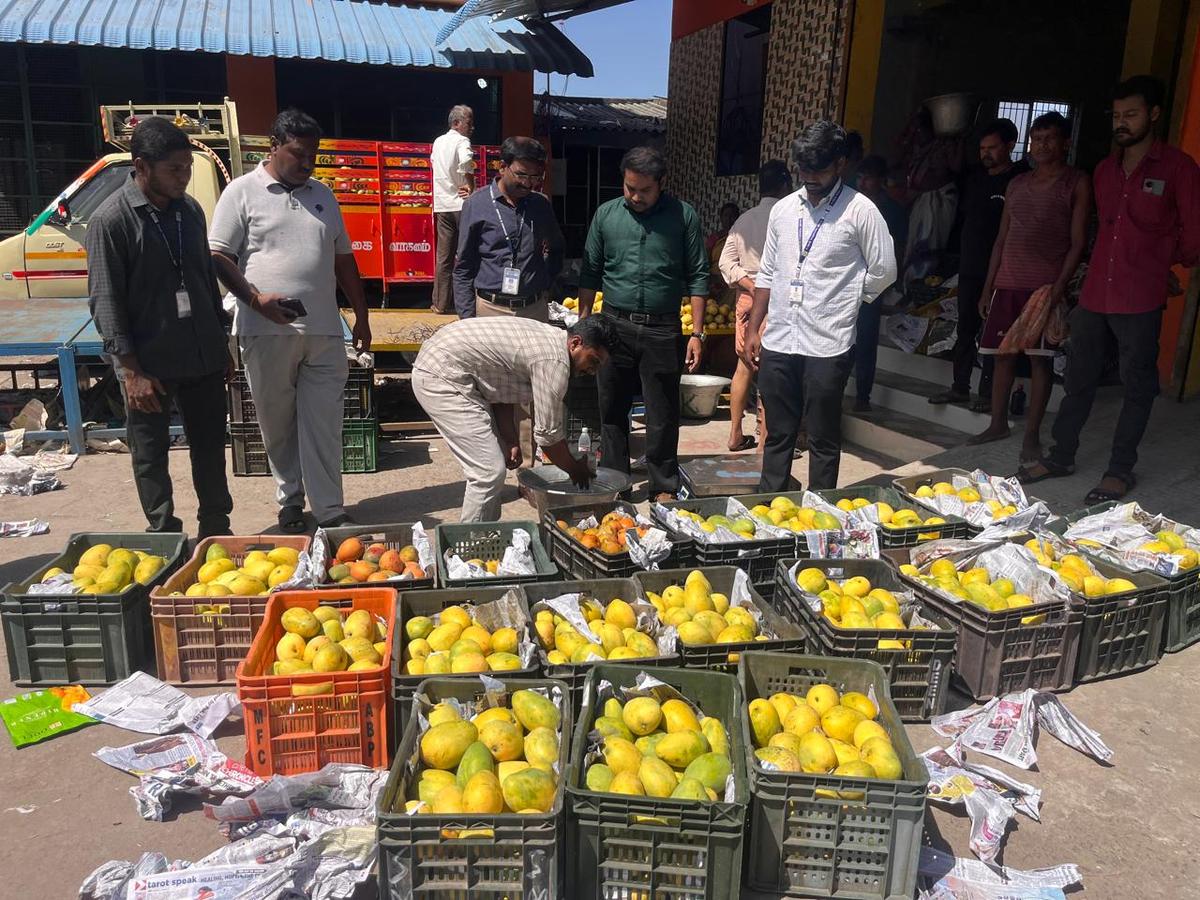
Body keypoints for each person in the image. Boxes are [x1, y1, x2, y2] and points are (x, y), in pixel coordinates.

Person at [1019, 76, 1200, 502]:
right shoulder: (1104, 171)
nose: (1122, 123)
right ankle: (1062, 455)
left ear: (1153, 115)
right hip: (1098, 293)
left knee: (1137, 384)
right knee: (1079, 379)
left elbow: (1194, 238)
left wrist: (1158, 261)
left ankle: (1120, 470)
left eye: (1131, 114)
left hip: (1141, 297)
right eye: (1117, 116)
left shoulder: (1179, 169)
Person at [210, 108, 372, 533]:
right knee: (277, 422)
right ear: (273, 146)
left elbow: (343, 260)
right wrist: (255, 300)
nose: (307, 163)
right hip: (266, 330)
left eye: (312, 155)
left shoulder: (323, 195)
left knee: (324, 422)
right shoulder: (242, 192)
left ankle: (330, 508)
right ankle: (290, 501)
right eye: (298, 154)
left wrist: (361, 315)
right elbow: (218, 255)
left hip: (323, 330)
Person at [87, 117, 233, 537]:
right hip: (147, 365)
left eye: (187, 167)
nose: (184, 178)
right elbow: (105, 299)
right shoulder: (111, 221)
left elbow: (204, 279)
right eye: (175, 169)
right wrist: (130, 371)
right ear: (142, 166)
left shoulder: (189, 210)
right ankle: (164, 531)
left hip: (200, 355)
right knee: (151, 455)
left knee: (209, 449)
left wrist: (219, 342)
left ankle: (215, 528)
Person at [745, 121, 897, 492]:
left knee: (823, 438)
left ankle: (822, 509)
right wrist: (753, 328)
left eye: (819, 169)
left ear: (841, 164)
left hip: (828, 344)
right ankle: (770, 509)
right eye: (803, 170)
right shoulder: (783, 210)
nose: (810, 177)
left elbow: (884, 270)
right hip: (780, 339)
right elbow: (768, 271)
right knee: (777, 433)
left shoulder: (861, 211)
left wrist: (846, 299)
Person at [578, 146, 709, 502]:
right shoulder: (606, 215)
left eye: (644, 190)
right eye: (629, 188)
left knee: (662, 413)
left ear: (661, 184)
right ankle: (616, 483)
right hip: (613, 327)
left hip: (663, 328)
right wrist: (584, 325)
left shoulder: (683, 217)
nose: (635, 196)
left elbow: (698, 275)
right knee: (612, 409)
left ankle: (663, 486)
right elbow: (590, 271)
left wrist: (696, 333)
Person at [967, 111, 1089, 464]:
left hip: (1043, 287)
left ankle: (1032, 435)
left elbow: (1078, 242)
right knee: (1002, 356)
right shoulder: (1017, 184)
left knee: (1039, 362)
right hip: (1007, 283)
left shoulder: (1076, 182)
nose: (1042, 146)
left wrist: (1058, 288)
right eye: (1036, 140)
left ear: (1065, 142)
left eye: (1050, 139)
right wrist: (988, 286)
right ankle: (997, 423)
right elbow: (1002, 238)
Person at [412, 316, 617, 522]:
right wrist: (576, 470)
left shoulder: (553, 339)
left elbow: (499, 384)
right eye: (593, 361)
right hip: (441, 374)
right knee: (488, 472)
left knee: (492, 468)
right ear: (575, 344)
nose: (593, 371)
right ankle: (471, 543)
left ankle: (488, 535)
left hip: (453, 366)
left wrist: (510, 438)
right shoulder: (555, 362)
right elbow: (548, 437)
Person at [930, 118, 1028, 410]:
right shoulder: (975, 178)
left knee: (994, 334)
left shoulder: (1020, 181)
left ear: (1010, 146)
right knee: (966, 330)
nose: (986, 153)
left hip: (1002, 271)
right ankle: (960, 387)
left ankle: (988, 395)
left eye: (993, 148)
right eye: (983, 148)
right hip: (971, 267)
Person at [719, 160, 792, 451]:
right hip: (779, 301)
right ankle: (765, 443)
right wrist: (762, 287)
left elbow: (725, 262)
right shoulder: (790, 217)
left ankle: (735, 434)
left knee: (744, 367)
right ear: (786, 185)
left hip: (748, 301)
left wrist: (750, 285)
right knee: (772, 371)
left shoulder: (745, 220)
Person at [453, 136, 563, 320]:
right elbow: (464, 266)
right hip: (490, 309)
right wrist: (467, 318)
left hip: (533, 310)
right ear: (502, 167)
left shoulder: (540, 205)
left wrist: (544, 284)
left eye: (535, 177)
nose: (528, 183)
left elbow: (557, 248)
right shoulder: (476, 204)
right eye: (521, 175)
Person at [851, 154, 909, 411]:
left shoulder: (893, 211)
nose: (863, 183)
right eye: (860, 177)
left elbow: (898, 250)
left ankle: (863, 396)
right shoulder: (850, 207)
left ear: (881, 181)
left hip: (871, 286)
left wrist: (890, 284)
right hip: (844, 282)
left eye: (868, 178)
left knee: (865, 341)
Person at [431, 105, 475, 313]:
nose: (472, 127)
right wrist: (471, 185)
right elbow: (467, 161)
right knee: (467, 255)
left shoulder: (438, 142)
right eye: (469, 122)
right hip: (461, 204)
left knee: (444, 257)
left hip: (442, 205)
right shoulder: (462, 141)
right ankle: (466, 306)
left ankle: (440, 304)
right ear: (457, 123)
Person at [707, 201, 740, 299]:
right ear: (721, 218)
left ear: (738, 218)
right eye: (726, 215)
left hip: (732, 281)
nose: (729, 219)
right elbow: (706, 262)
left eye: (733, 216)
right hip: (714, 280)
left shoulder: (741, 239)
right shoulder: (714, 238)